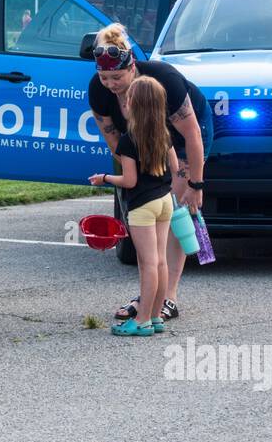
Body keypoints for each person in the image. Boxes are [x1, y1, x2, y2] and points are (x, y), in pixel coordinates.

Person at [89, 23, 211, 321]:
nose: (111, 84)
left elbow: (192, 134)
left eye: (117, 77)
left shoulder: (164, 79)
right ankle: (150, 297)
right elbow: (116, 143)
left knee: (176, 210)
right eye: (105, 77)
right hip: (144, 145)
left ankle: (168, 297)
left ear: (133, 67)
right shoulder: (99, 91)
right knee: (149, 211)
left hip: (181, 138)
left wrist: (195, 183)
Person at [90, 75, 178, 336]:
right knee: (160, 261)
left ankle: (141, 320)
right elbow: (174, 167)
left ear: (131, 105)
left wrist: (103, 178)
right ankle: (155, 316)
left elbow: (129, 180)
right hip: (164, 201)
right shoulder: (164, 133)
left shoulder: (129, 140)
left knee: (147, 263)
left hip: (143, 206)